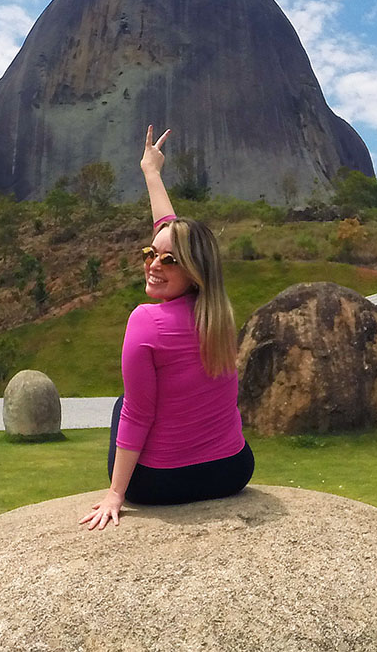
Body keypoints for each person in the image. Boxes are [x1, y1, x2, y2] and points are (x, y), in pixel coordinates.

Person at [80, 126, 254, 530]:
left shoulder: (145, 321)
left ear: (192, 271)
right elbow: (171, 231)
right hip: (232, 471)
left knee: (124, 404)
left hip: (160, 484)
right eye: (150, 254)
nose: (154, 264)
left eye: (168, 261)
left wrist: (115, 495)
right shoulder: (219, 315)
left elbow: (140, 414)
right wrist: (151, 173)